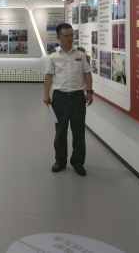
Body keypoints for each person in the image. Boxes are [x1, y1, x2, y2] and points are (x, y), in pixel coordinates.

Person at [43, 23, 93, 177]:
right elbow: (49, 75)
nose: (70, 38)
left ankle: (78, 162)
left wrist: (89, 91)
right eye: (66, 36)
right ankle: (60, 160)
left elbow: (87, 72)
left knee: (79, 132)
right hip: (60, 98)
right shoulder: (52, 55)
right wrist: (46, 94)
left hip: (78, 97)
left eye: (71, 35)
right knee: (60, 131)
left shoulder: (81, 53)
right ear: (58, 37)